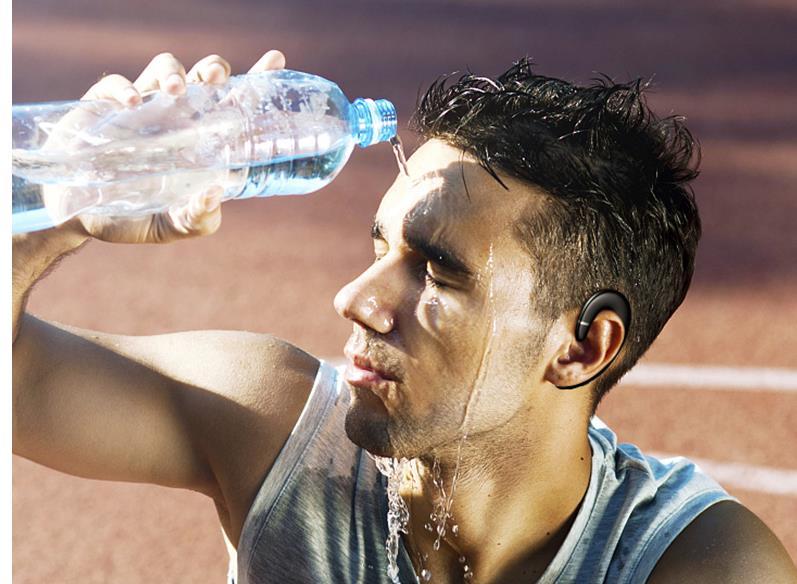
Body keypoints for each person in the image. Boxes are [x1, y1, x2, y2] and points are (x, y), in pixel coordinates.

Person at [12, 50, 797, 584]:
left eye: (439, 272)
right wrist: (55, 212)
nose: (354, 299)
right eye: (379, 245)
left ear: (580, 347)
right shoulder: (270, 429)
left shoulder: (700, 566)